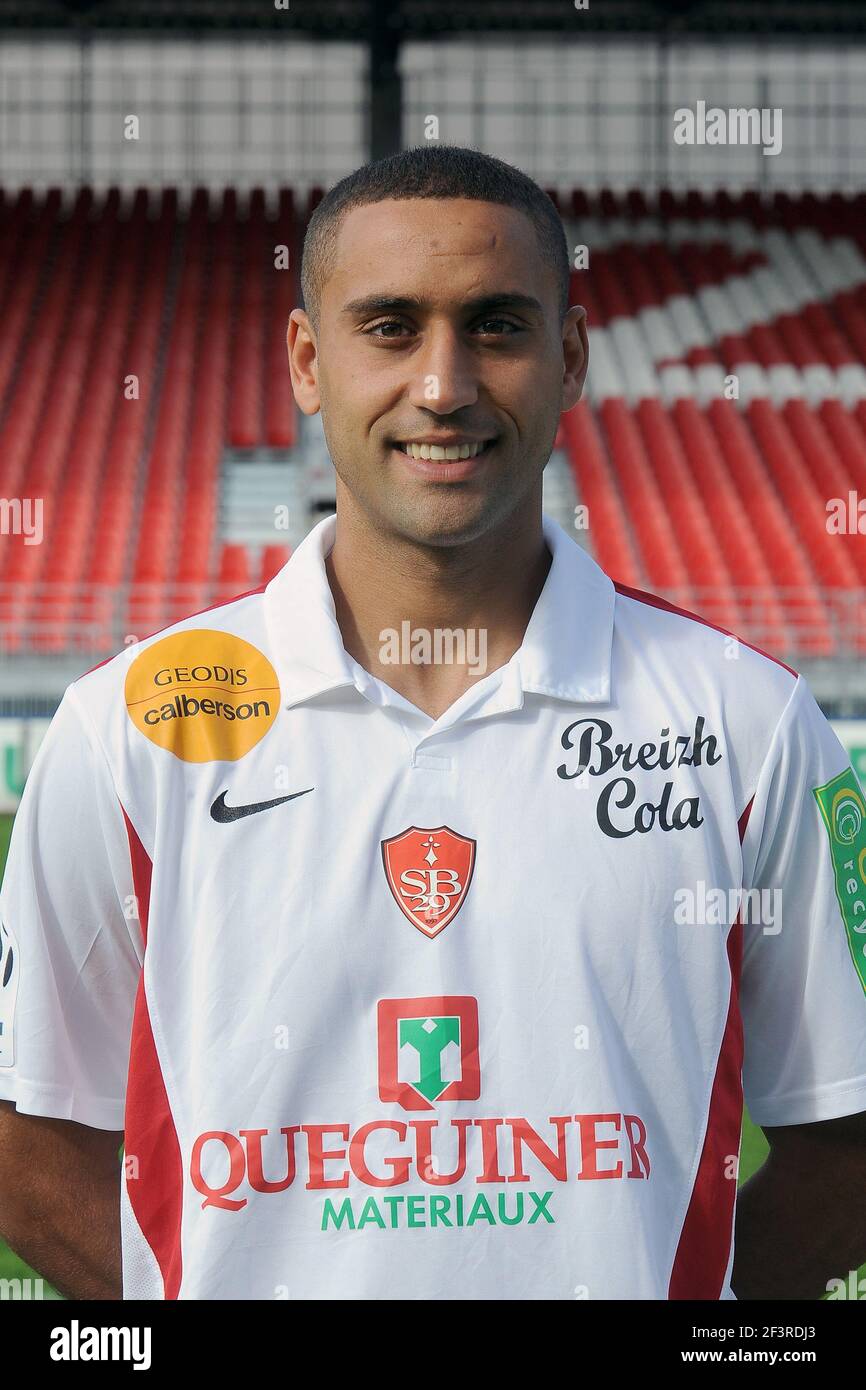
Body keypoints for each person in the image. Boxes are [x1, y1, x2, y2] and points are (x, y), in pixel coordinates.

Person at [1, 145, 865, 1301]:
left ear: (567, 358)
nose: (444, 385)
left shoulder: (745, 722)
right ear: (309, 360)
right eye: (391, 327)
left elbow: (845, 1140)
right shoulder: (128, 730)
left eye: (497, 327)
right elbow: (25, 1130)